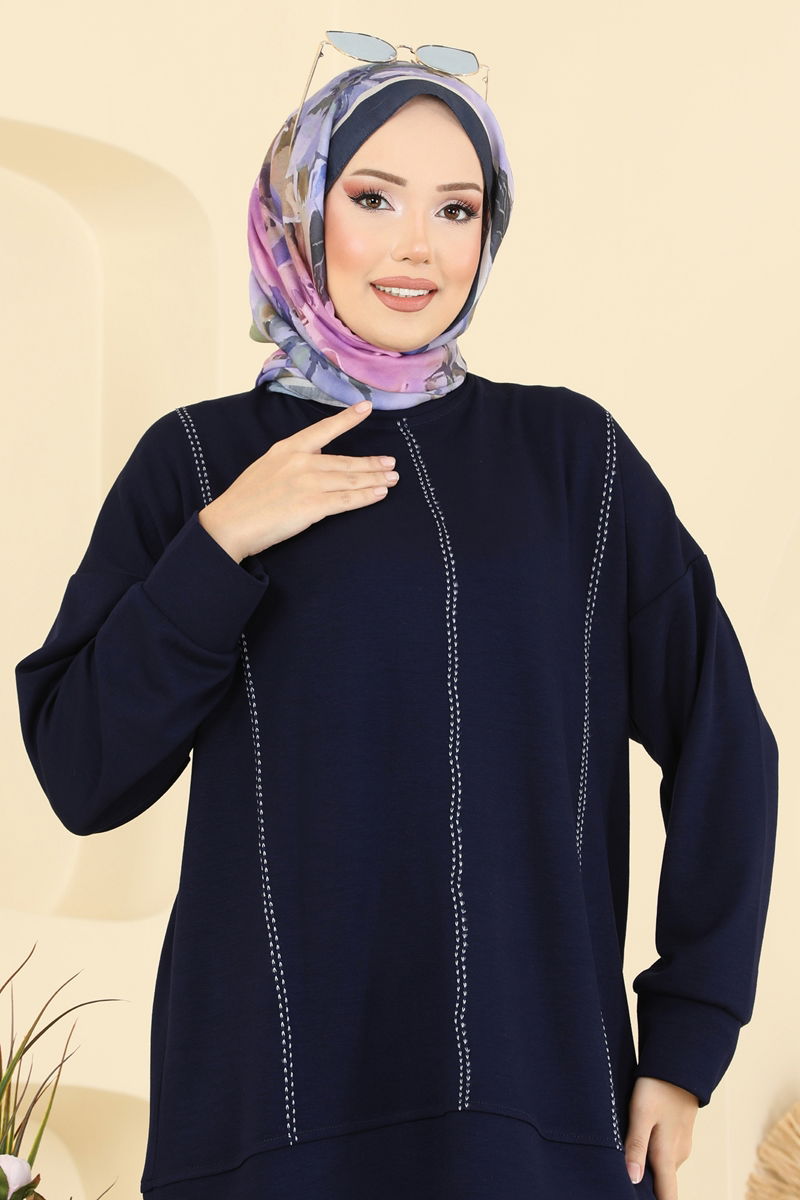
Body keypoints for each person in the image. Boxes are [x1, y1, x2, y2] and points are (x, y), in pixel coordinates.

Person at [14, 50, 778, 1200]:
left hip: (534, 1118)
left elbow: (726, 742)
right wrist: (219, 544)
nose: (417, 245)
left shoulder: (571, 460)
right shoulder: (198, 460)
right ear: (299, 210)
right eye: (373, 197)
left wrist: (684, 1040)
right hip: (271, 1126)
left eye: (455, 209)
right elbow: (83, 771)